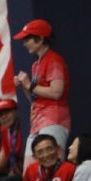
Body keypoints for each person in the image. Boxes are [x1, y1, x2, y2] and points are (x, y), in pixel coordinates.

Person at [13, 19, 70, 152]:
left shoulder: (53, 60)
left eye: (27, 39)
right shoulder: (36, 65)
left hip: (54, 118)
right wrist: (24, 86)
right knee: (29, 171)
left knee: (51, 165)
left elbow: (56, 93)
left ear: (40, 39)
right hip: (38, 118)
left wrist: (29, 85)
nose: (24, 44)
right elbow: (34, 99)